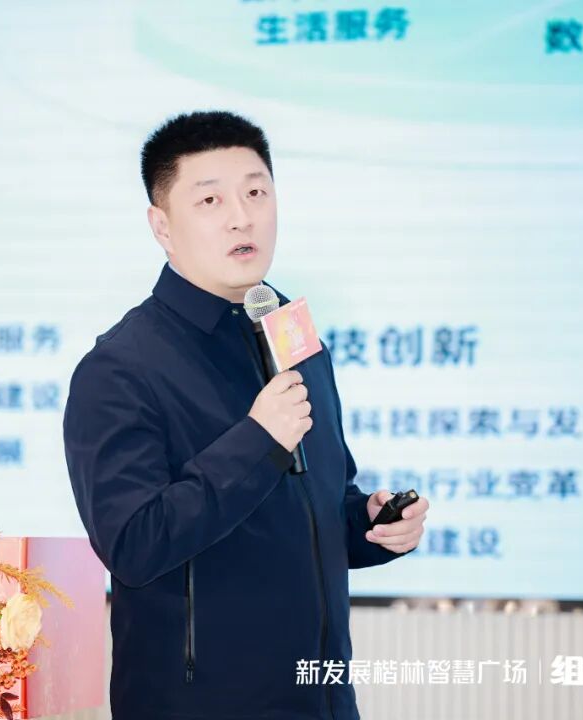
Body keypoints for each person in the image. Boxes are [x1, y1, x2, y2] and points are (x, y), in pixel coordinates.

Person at [63, 110, 429, 720]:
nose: (242, 216)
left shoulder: (292, 334)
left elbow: (314, 505)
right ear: (162, 225)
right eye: (210, 200)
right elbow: (134, 545)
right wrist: (259, 440)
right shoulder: (120, 369)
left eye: (256, 193)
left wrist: (369, 524)